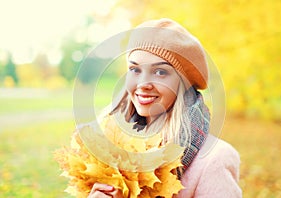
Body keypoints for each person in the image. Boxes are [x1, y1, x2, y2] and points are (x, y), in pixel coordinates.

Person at [85, 18, 242, 198]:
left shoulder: (214, 159)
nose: (143, 84)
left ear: (183, 84)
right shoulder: (107, 149)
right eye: (135, 69)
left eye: (160, 72)